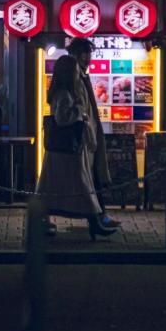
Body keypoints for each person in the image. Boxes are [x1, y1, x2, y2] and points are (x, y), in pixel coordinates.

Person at [37, 38, 120, 240]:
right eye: (86, 53)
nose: (89, 58)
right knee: (82, 185)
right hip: (70, 147)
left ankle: (46, 222)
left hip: (65, 148)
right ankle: (96, 221)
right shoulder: (66, 91)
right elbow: (64, 117)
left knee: (56, 186)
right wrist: (81, 113)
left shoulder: (72, 85)